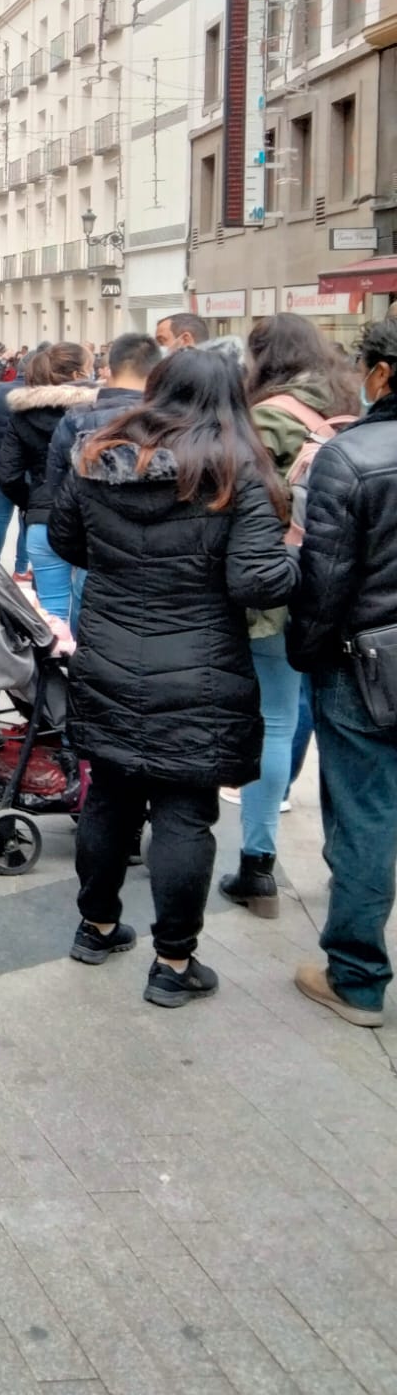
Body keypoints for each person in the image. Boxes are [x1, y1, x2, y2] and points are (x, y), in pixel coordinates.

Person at [50, 350, 298, 1006]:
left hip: (106, 653)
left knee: (109, 794)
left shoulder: (96, 453)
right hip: (201, 666)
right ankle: (174, 963)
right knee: (185, 812)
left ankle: (96, 927)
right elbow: (255, 581)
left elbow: (66, 542)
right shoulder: (237, 470)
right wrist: (299, 564)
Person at [217, 314, 359, 918]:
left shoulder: (267, 416)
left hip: (281, 589)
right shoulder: (355, 406)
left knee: (274, 718)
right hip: (351, 591)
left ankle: (258, 865)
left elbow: (244, 507)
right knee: (346, 734)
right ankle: (351, 864)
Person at [286, 317, 397, 1029]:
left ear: (380, 373)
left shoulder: (351, 456)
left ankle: (357, 975)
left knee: (363, 815)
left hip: (368, 662)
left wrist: (309, 651)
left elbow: (324, 581)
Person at [0, 343, 96, 622]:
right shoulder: (97, 411)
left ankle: (54, 662)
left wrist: (34, 500)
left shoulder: (23, 414)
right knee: (89, 606)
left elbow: (8, 474)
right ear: (79, 372)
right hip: (91, 516)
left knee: (52, 612)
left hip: (44, 515)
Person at [44, 332, 162, 495]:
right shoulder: (172, 417)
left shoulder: (76, 418)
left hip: (91, 514)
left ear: (110, 367)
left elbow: (56, 480)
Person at [0, 345, 42, 579]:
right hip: (30, 466)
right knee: (26, 519)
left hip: (2, 462)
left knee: (2, 518)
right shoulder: (39, 395)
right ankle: (20, 568)